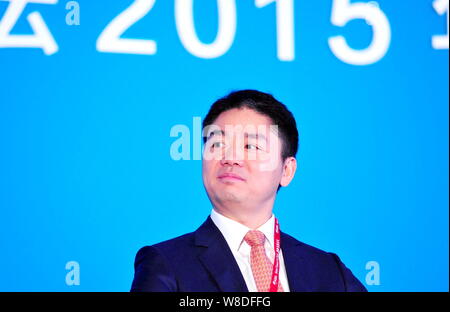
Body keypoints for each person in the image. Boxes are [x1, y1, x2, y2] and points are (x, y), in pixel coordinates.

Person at [130, 90, 367, 292]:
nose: (230, 158)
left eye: (250, 146)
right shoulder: (166, 263)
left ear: (287, 170)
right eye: (217, 144)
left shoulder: (328, 270)